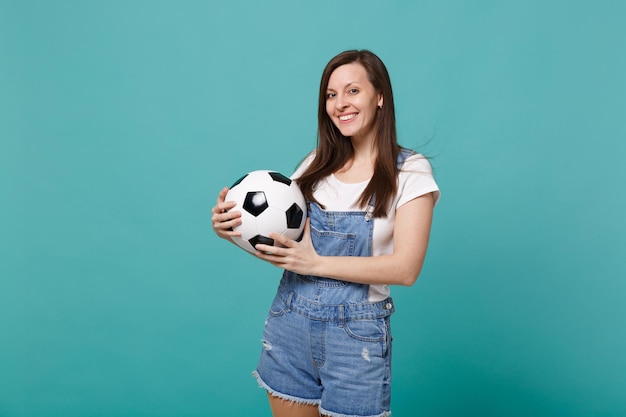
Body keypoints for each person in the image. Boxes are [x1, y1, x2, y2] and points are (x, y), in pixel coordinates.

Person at [211, 49, 440, 417]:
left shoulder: (409, 171)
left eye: (352, 91)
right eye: (331, 95)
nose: (339, 104)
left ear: (379, 96)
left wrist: (316, 263)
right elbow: (289, 254)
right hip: (290, 325)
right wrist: (234, 233)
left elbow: (406, 269)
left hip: (356, 339)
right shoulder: (314, 165)